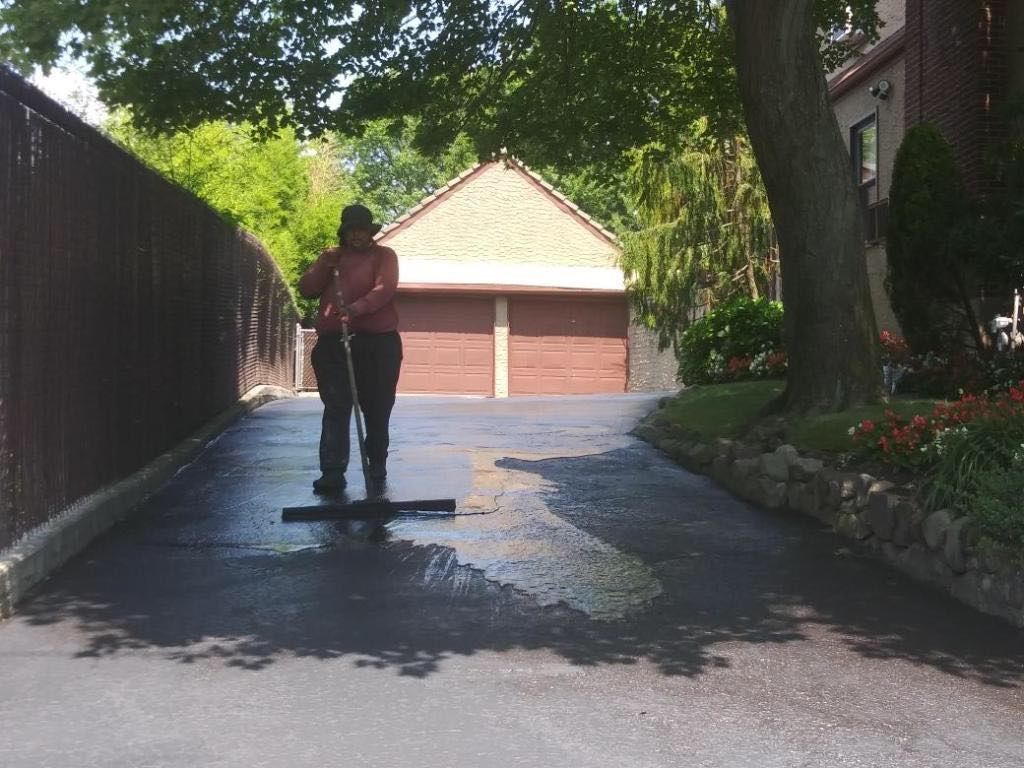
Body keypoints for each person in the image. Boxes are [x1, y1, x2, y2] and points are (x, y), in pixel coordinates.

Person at [298, 204, 402, 494]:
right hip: (335, 343)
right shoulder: (333, 258)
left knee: (378, 407)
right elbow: (306, 289)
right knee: (336, 407)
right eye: (352, 230)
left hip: (378, 344)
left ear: (371, 232)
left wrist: (354, 309)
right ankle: (332, 472)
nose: (357, 235)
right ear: (344, 232)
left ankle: (377, 465)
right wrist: (323, 265)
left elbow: (385, 289)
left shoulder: (384, 256)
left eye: (363, 230)